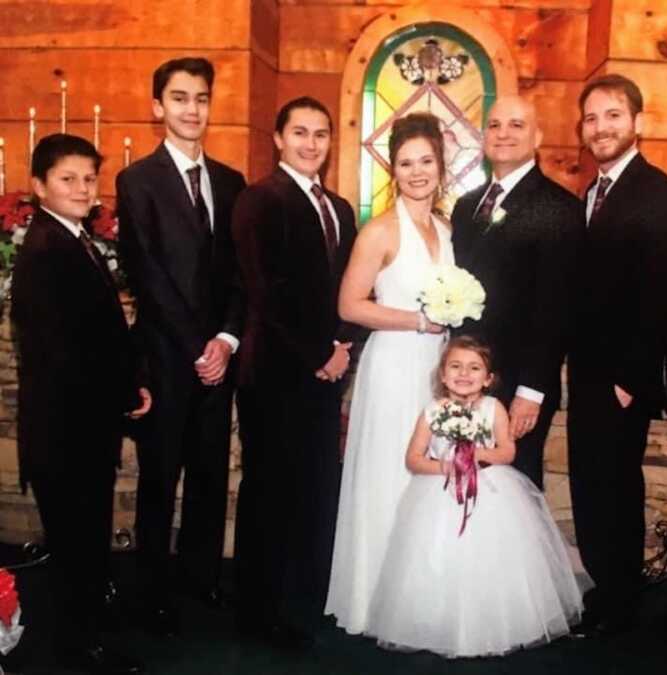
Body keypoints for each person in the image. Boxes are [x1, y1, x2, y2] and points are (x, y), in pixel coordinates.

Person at [116, 57, 246, 634]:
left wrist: (224, 339)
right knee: (159, 476)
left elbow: (242, 274)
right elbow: (146, 274)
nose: (192, 109)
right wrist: (197, 346)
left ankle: (200, 578)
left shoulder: (231, 181)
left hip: (218, 358)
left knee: (211, 474)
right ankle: (152, 589)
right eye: (180, 98)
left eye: (201, 98)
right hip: (167, 358)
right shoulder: (137, 181)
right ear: (158, 107)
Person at [13, 134, 151, 674]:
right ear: (39, 186)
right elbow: (66, 351)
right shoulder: (48, 249)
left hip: (79, 426)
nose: (81, 188)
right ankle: (80, 649)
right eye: (67, 179)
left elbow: (103, 333)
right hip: (65, 430)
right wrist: (122, 392)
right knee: (75, 544)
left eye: (88, 179)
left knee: (85, 538)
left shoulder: (73, 239)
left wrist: (129, 382)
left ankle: (86, 626)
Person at [567, 74, 667, 634]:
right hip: (590, 370)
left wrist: (630, 378)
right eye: (592, 119)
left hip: (622, 376)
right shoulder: (591, 193)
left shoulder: (661, 194)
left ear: (636, 121)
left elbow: (663, 296)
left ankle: (620, 602)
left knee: (615, 487)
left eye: (612, 116)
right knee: (590, 483)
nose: (601, 128)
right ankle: (606, 589)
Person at [366, 336, 584, 657]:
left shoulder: (493, 408)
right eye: (455, 366)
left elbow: (508, 452)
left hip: (490, 491)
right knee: (438, 555)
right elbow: (413, 458)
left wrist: (477, 455)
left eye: (474, 368)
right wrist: (445, 465)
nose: (464, 374)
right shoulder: (432, 411)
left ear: (488, 377)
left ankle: (492, 625)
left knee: (489, 558)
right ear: (442, 374)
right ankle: (439, 623)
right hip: (439, 493)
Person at [231, 97, 357, 648]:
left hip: (327, 373)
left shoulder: (341, 208)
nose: (311, 143)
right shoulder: (259, 200)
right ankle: (257, 611)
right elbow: (267, 294)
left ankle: (302, 594)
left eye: (321, 133)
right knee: (269, 493)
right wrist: (318, 355)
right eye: (300, 132)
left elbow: (350, 291)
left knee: (312, 487)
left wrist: (346, 347)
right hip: (277, 375)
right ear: (278, 139)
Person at [326, 112, 451, 634]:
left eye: (426, 161)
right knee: (391, 476)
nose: (417, 171)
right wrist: (418, 321)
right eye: (406, 163)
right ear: (392, 170)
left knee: (432, 478)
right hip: (394, 365)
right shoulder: (379, 230)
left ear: (442, 166)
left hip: (437, 370)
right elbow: (350, 305)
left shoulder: (447, 229)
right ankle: (375, 598)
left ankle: (424, 594)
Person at [451, 95, 582, 490]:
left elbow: (555, 309)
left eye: (516, 125)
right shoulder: (466, 206)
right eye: (494, 125)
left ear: (537, 136)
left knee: (511, 488)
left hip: (518, 383)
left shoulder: (559, 208)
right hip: (463, 377)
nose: (503, 134)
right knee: (462, 483)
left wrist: (532, 390)